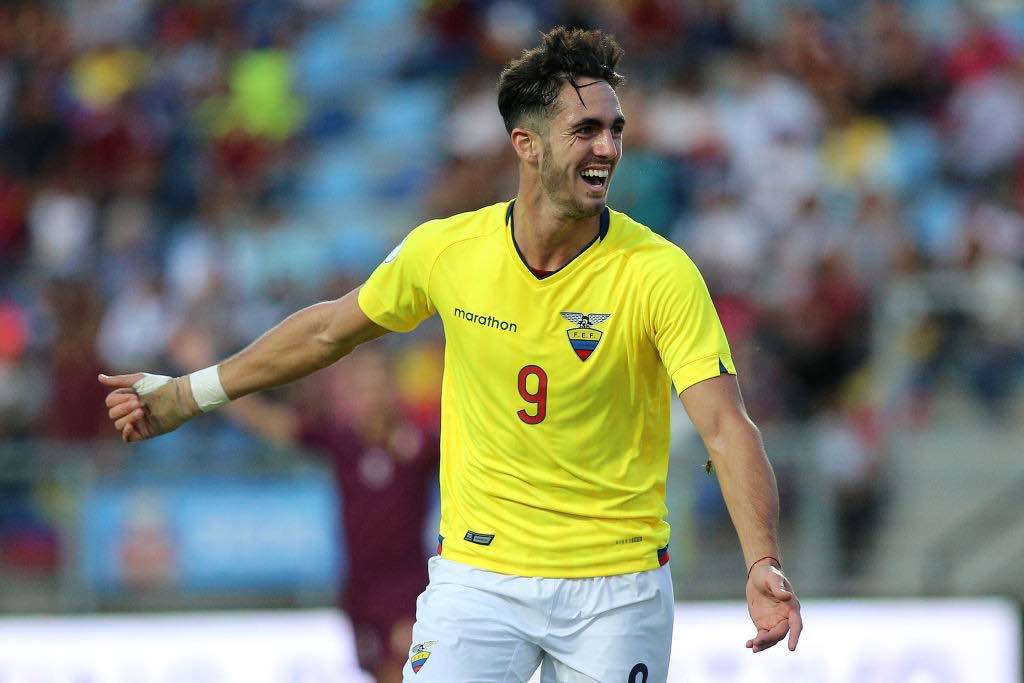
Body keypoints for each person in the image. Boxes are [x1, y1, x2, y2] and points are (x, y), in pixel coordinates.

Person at [100, 27, 802, 683]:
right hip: (479, 577)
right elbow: (327, 331)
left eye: (615, 129)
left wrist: (760, 560)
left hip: (616, 588)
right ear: (526, 144)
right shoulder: (448, 250)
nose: (608, 148)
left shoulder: (659, 271)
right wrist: (190, 393)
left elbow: (724, 425)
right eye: (585, 129)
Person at [221, 347, 439, 683]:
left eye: (376, 387)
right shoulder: (342, 442)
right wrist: (218, 388)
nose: (369, 397)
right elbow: (276, 425)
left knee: (408, 670)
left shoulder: (418, 445)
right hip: (360, 591)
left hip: (407, 589)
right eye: (361, 388)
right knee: (380, 673)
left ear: (391, 391)